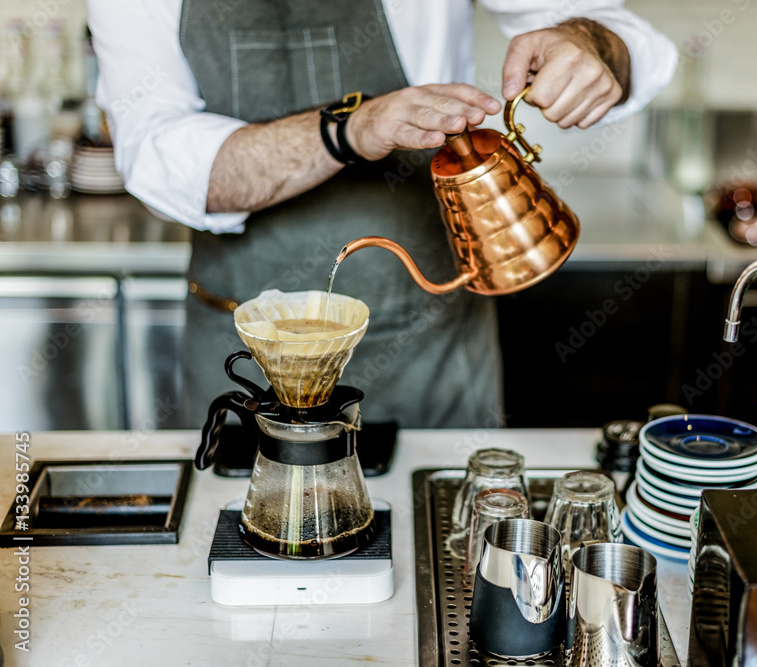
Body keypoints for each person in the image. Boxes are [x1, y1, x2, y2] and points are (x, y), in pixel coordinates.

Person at [86, 0, 677, 428]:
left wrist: (587, 44)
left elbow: (627, 39)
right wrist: (351, 128)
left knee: (446, 556)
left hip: (427, 345)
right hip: (244, 355)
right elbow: (157, 158)